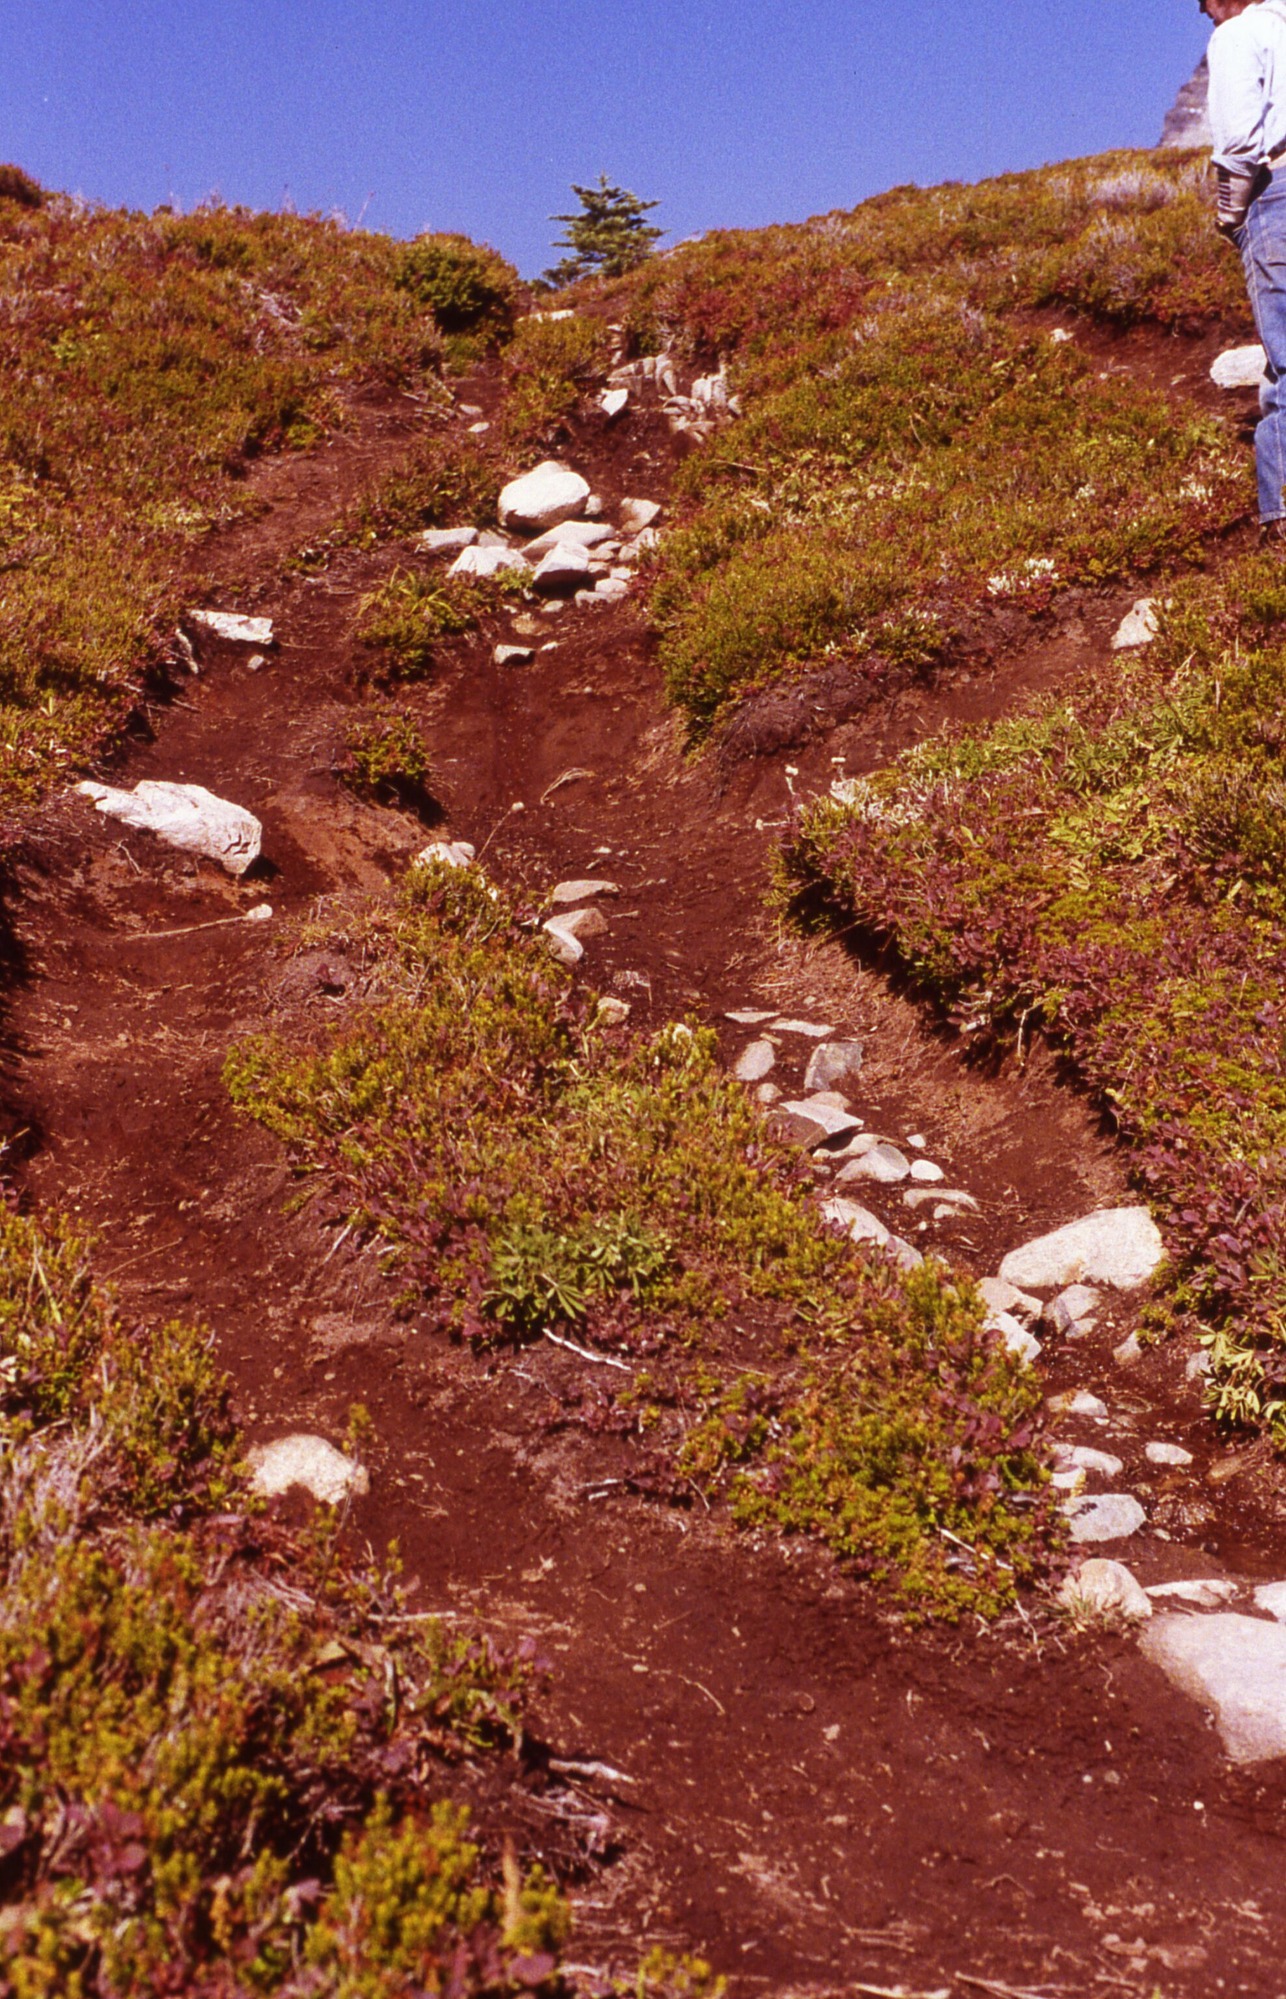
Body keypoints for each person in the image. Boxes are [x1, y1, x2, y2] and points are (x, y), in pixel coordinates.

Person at [1205, 0, 1286, 529]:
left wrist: (1231, 213)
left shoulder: (1238, 34)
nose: (1206, 15)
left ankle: (1280, 517)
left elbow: (1238, 138)